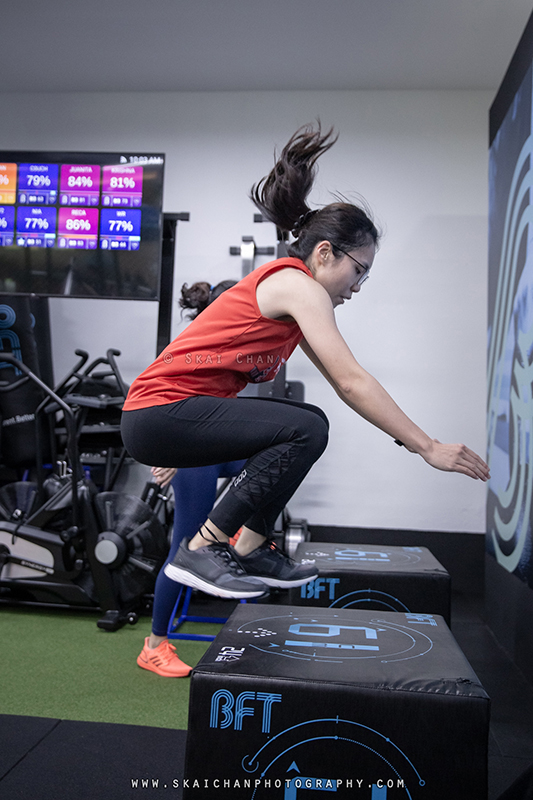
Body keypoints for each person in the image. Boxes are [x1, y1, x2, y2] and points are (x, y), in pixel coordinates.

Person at [122, 122, 489, 606]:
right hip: (157, 411)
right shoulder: (297, 285)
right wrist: (427, 446)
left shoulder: (296, 302)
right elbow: (353, 381)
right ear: (323, 253)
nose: (356, 287)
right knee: (304, 428)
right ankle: (203, 546)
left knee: (309, 422)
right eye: (357, 271)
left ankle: (250, 545)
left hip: (169, 416)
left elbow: (341, 387)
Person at [136, 281, 246, 677]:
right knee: (182, 549)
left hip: (216, 449)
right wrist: (170, 453)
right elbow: (160, 403)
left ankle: (243, 534)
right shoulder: (195, 346)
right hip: (194, 458)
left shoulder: (236, 347)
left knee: (278, 455)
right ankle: (154, 645)